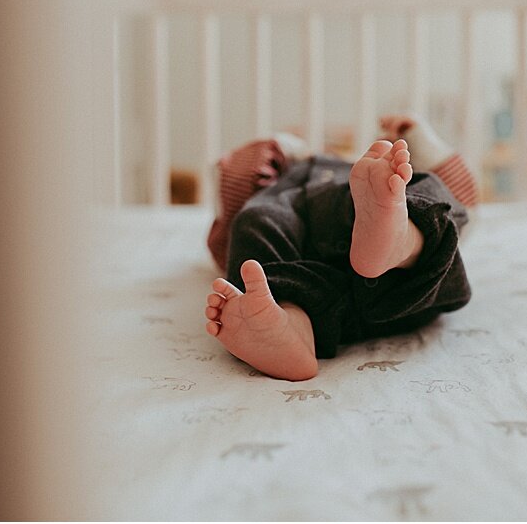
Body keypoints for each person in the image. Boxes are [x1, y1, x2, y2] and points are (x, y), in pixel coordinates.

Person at [203, 115, 478, 381]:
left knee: (428, 191)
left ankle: (402, 239)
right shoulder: (287, 181)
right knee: (255, 219)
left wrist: (416, 136)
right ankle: (288, 327)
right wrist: (277, 149)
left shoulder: (376, 176)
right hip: (347, 305)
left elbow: (463, 198)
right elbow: (235, 187)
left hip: (408, 286)